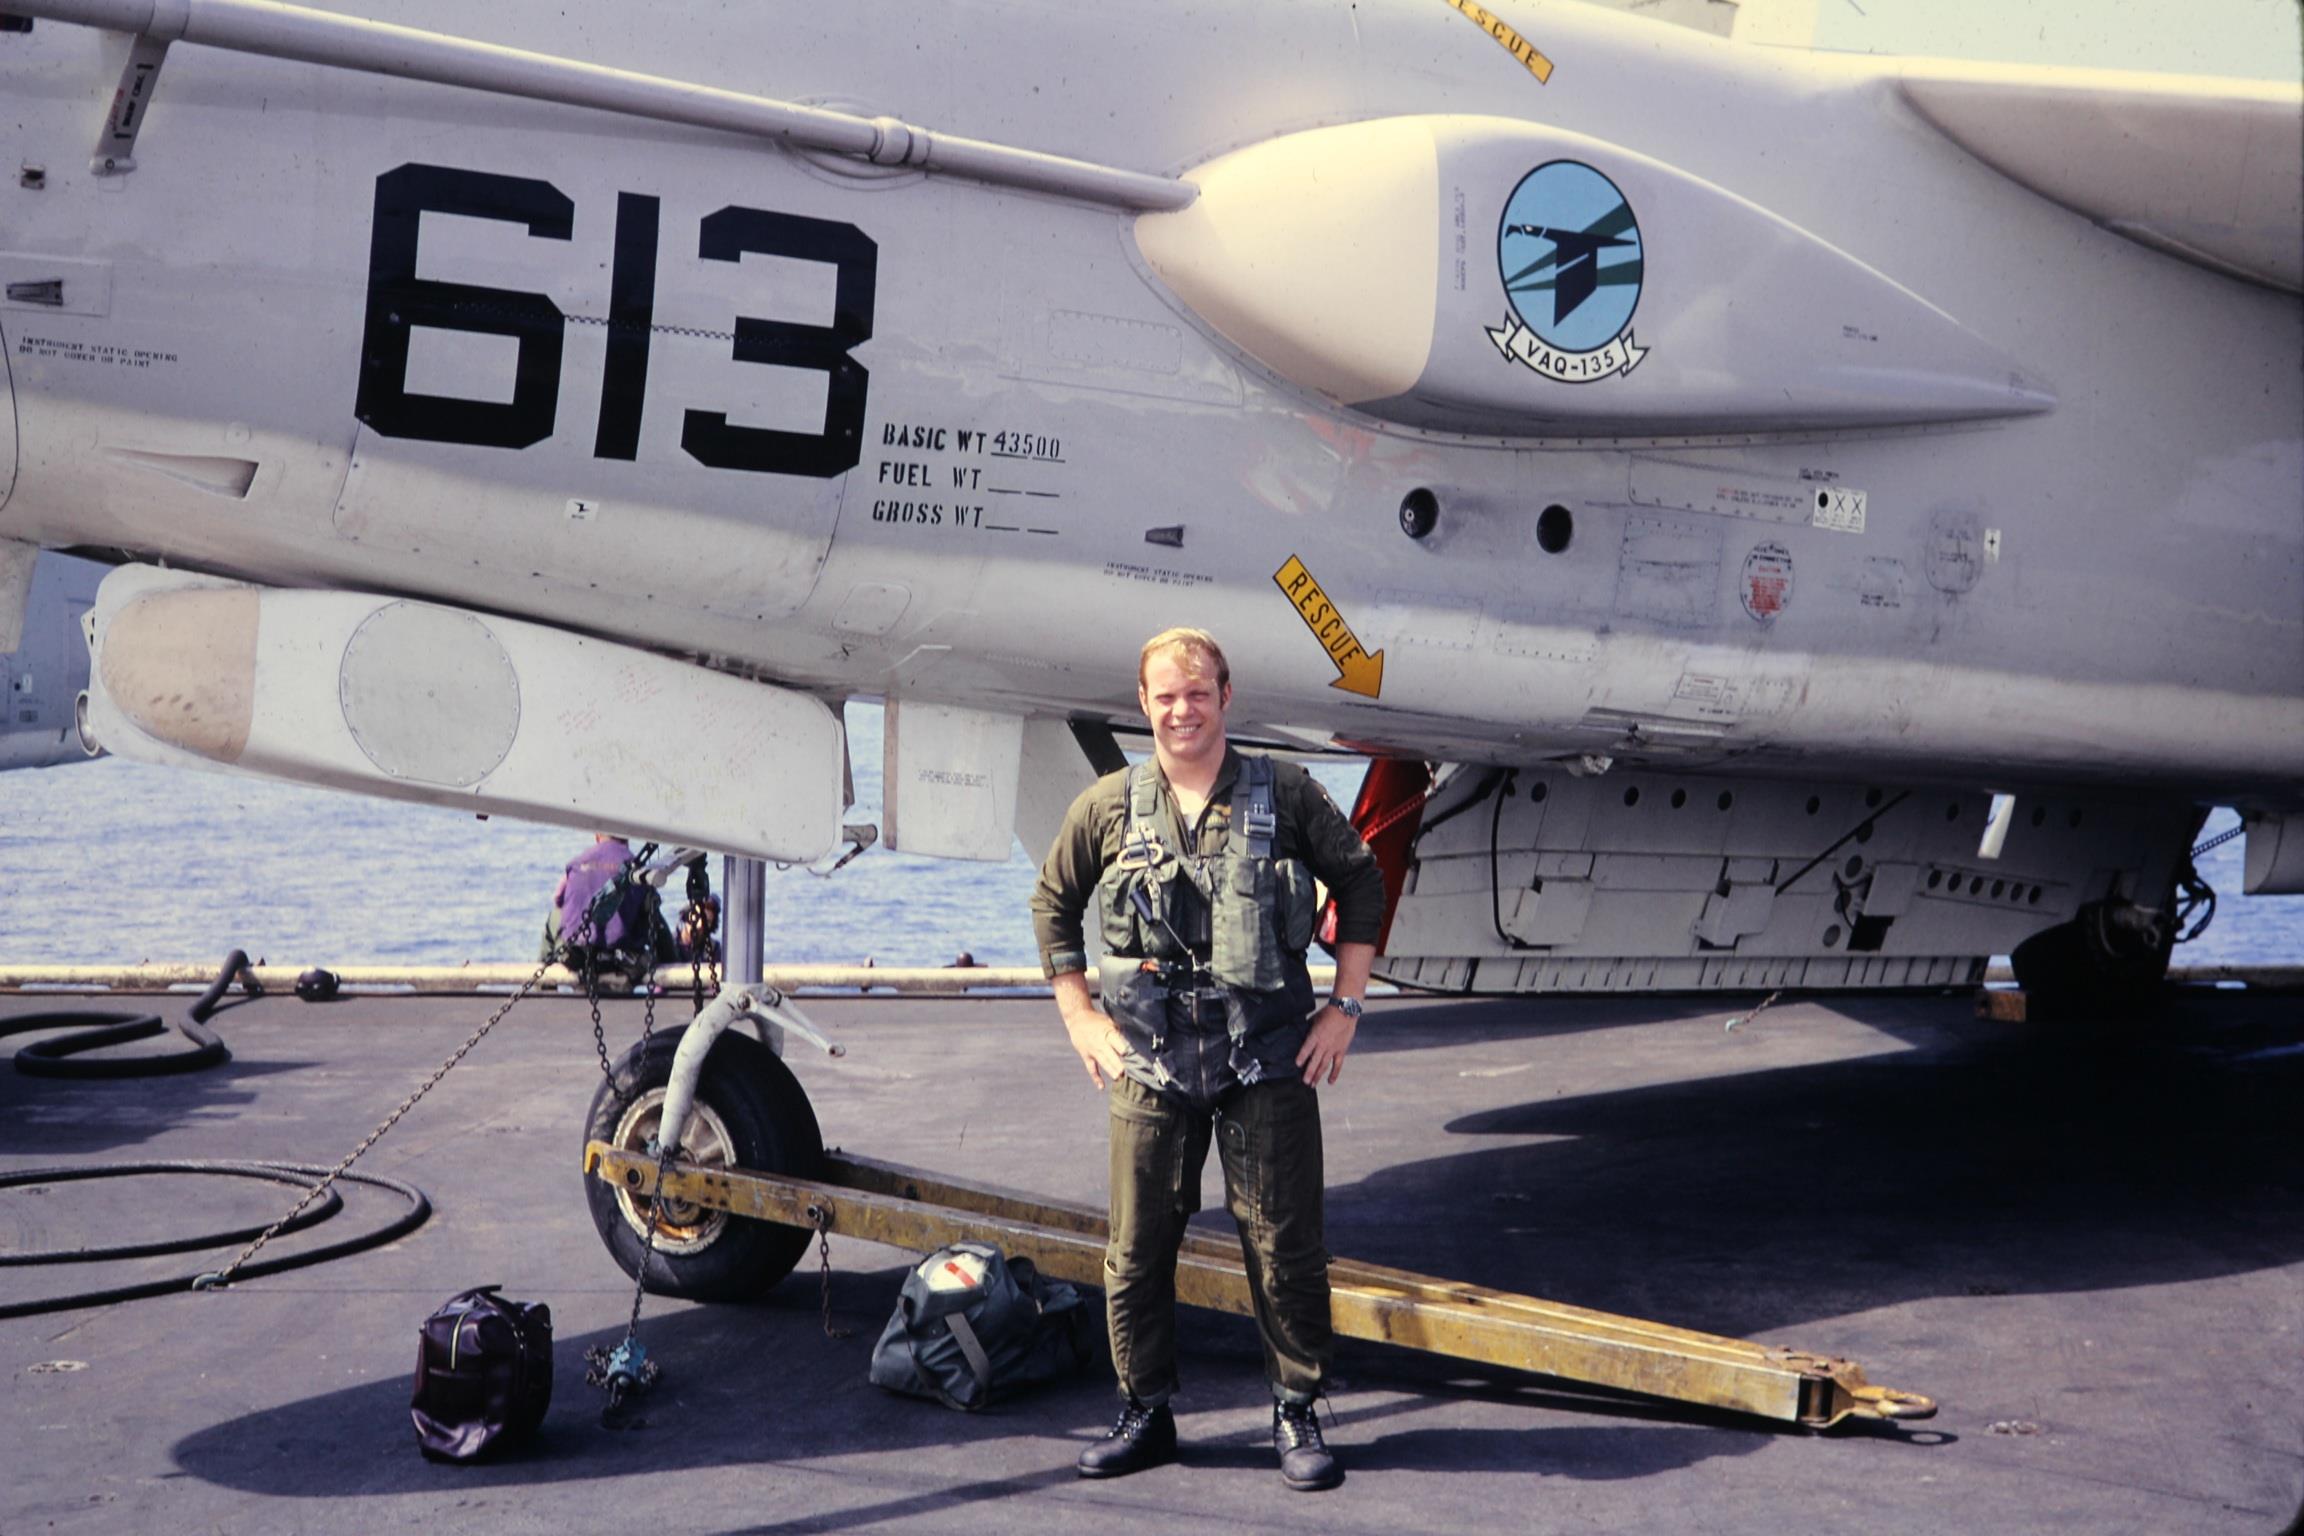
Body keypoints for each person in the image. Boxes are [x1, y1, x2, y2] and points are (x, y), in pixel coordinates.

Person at [1030, 627, 1384, 1492]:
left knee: (1285, 1245)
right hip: (1149, 1061)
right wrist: (1077, 1013)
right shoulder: (1109, 806)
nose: (1182, 710)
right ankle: (1145, 1411)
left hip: (1266, 1057)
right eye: (1166, 696)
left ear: (1227, 698)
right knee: (1137, 1248)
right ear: (1144, 704)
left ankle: (1296, 1413)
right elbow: (1053, 903)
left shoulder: (1288, 793)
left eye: (1198, 693)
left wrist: (1345, 1007)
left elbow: (1363, 883)